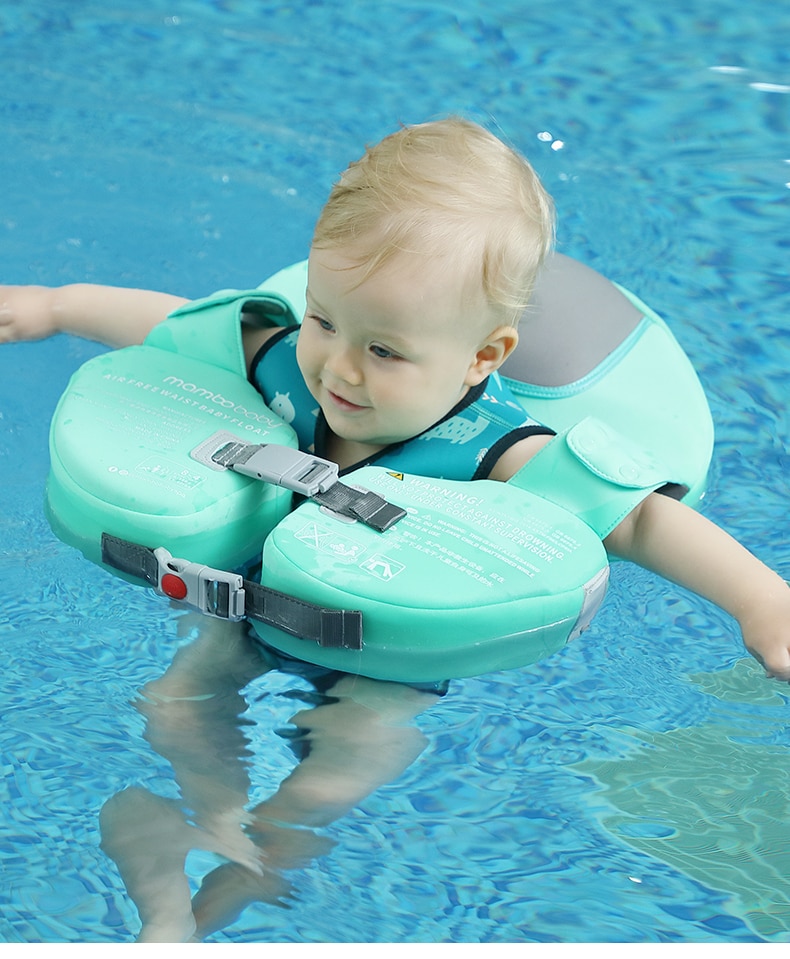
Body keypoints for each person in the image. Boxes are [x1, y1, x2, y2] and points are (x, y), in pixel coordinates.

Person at [2, 117, 789, 939]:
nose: (338, 367)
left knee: (352, 759)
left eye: (384, 350)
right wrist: (56, 307)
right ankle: (194, 831)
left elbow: (639, 522)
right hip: (246, 602)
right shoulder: (282, 365)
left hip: (385, 660)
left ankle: (198, 904)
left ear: (483, 357)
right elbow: (173, 324)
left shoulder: (495, 448)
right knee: (173, 702)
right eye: (327, 321)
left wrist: (760, 599)